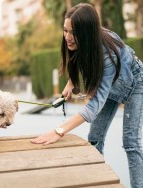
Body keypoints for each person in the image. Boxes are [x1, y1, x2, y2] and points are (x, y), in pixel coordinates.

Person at [31, 3, 143, 188]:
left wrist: (59, 131)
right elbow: (79, 60)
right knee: (95, 138)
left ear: (86, 32)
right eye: (65, 30)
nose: (67, 37)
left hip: (136, 85)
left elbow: (93, 107)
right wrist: (70, 83)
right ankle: (97, 182)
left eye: (73, 32)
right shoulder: (83, 41)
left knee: (131, 143)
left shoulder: (108, 56)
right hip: (110, 86)